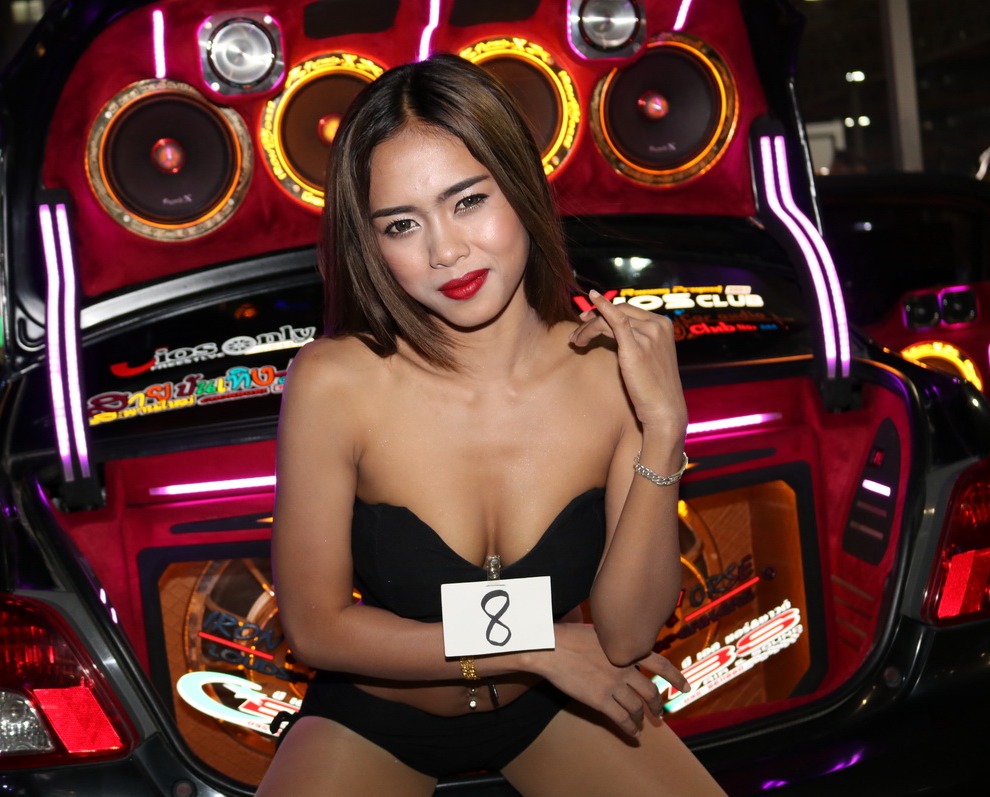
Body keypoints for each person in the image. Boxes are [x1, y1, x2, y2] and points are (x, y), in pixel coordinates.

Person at [256, 54, 727, 797]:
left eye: (468, 200)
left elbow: (626, 636)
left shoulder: (610, 374)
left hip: (552, 707)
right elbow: (316, 628)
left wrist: (665, 425)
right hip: (377, 720)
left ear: (520, 185)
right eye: (402, 224)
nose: (445, 251)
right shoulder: (335, 381)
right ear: (371, 245)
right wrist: (537, 647)